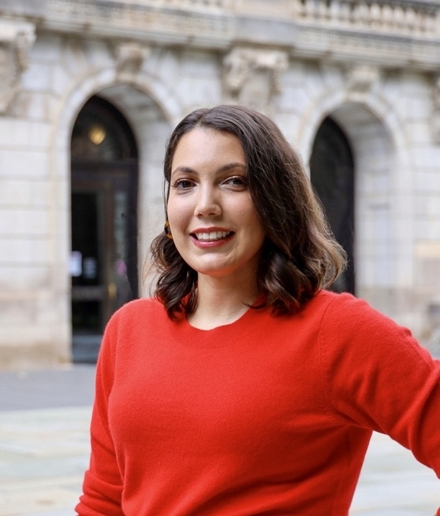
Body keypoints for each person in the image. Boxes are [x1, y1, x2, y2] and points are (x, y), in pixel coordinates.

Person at [76, 105, 440, 516]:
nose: (205, 205)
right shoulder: (129, 329)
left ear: (275, 198)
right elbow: (104, 500)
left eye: (234, 182)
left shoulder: (335, 331)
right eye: (185, 183)